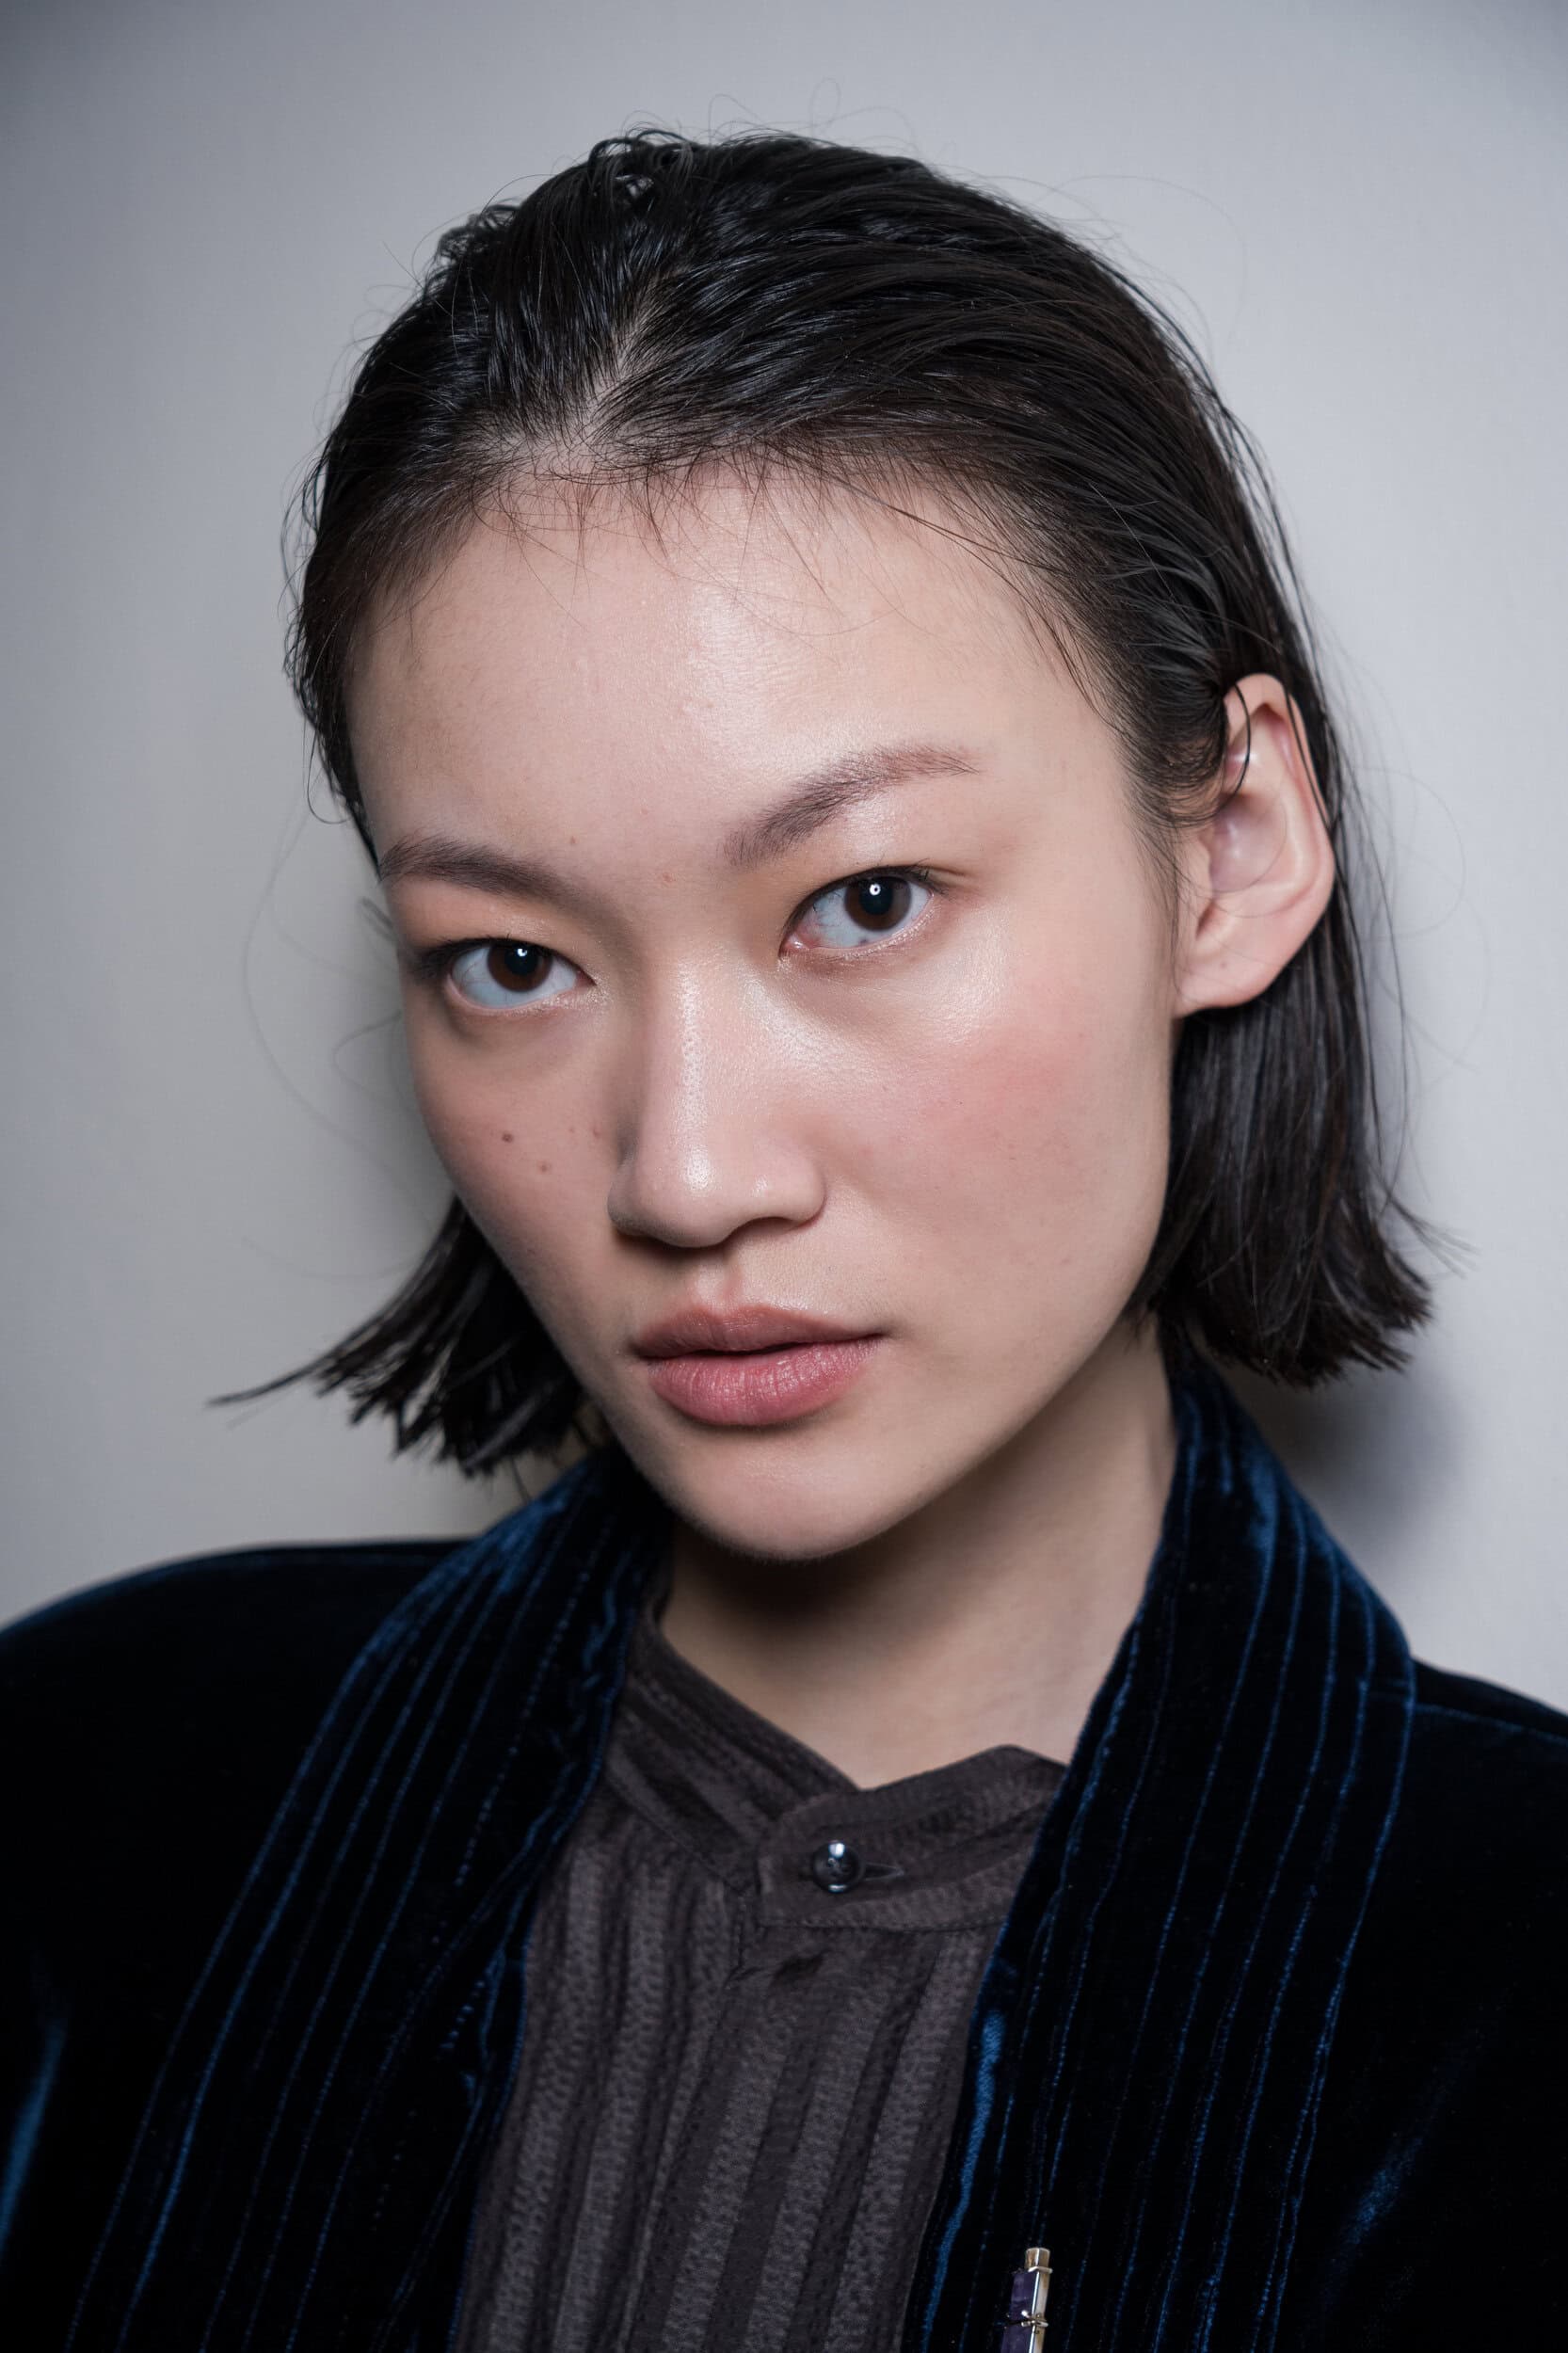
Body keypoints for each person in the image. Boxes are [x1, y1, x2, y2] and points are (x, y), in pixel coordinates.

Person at [2, 126, 1564, 2353]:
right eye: (512, 959)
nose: (684, 1170)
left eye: (862, 899)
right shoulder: (78, 1792)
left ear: (1227, 847)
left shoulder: (1516, 1987)